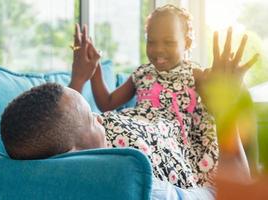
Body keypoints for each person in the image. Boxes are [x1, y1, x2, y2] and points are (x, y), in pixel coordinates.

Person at [75, 4, 259, 189]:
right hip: (141, 124)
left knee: (120, 132)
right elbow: (107, 103)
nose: (158, 50)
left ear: (186, 43)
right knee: (101, 122)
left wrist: (223, 86)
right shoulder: (142, 73)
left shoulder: (196, 75)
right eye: (151, 42)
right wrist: (95, 69)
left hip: (172, 139)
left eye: (169, 42)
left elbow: (216, 101)